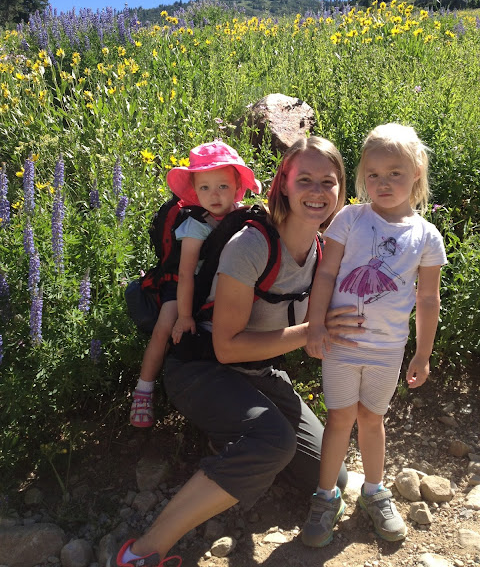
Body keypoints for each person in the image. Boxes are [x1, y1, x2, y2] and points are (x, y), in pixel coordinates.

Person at [113, 136, 364, 566]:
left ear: (341, 190)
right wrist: (311, 331)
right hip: (201, 367)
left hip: (259, 372)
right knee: (271, 442)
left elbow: (312, 341)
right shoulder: (252, 244)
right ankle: (141, 553)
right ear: (282, 185)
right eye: (304, 180)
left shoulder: (321, 251)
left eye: (329, 181)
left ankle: (232, 442)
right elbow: (226, 348)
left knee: (331, 475)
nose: (318, 191)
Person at [304, 123, 447, 547]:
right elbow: (325, 273)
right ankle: (325, 497)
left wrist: (422, 354)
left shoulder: (426, 235)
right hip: (341, 345)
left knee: (372, 419)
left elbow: (428, 299)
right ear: (362, 176)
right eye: (373, 174)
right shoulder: (350, 218)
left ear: (416, 172)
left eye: (395, 173)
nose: (383, 183)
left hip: (388, 350)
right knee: (339, 419)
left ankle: (373, 491)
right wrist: (315, 324)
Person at [129, 140, 261, 427]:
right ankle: (143, 389)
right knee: (165, 326)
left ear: (237, 187)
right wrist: (185, 316)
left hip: (222, 284)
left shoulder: (243, 214)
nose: (214, 195)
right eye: (205, 188)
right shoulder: (196, 224)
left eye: (222, 186)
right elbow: (186, 274)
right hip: (185, 285)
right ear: (195, 190)